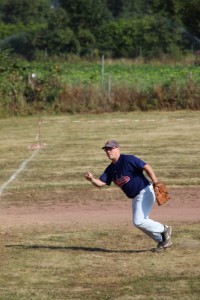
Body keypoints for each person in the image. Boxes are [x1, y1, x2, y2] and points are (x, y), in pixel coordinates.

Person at [84, 140, 172, 252]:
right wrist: (91, 179)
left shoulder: (128, 159)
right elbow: (101, 183)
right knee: (141, 222)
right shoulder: (110, 169)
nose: (108, 151)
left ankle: (164, 229)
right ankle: (163, 240)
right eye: (106, 149)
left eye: (111, 148)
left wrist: (155, 182)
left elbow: (146, 166)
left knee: (139, 221)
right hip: (136, 197)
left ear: (118, 149)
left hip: (145, 192)